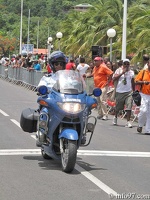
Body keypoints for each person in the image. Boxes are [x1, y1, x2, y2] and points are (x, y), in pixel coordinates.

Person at [112, 58, 135, 128]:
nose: (126, 65)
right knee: (118, 107)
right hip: (120, 91)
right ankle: (115, 117)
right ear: (123, 64)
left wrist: (134, 91)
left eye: (128, 64)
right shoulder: (118, 70)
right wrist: (122, 73)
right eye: (125, 63)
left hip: (128, 92)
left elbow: (133, 82)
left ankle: (128, 122)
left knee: (129, 106)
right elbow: (114, 78)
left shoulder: (131, 72)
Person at [134, 60, 150, 134]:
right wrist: (144, 82)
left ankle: (148, 129)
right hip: (144, 94)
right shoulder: (143, 72)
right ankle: (140, 125)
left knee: (149, 113)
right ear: (148, 64)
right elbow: (136, 81)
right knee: (143, 110)